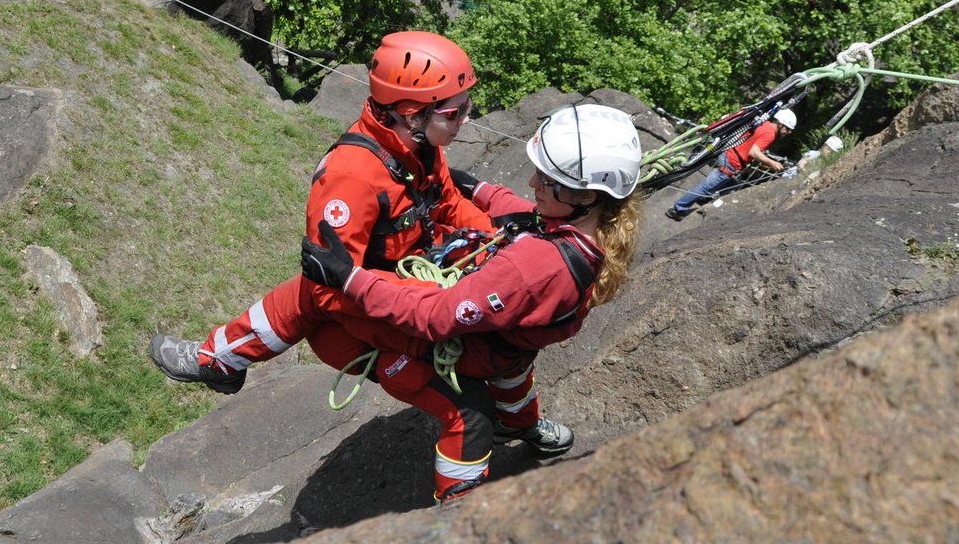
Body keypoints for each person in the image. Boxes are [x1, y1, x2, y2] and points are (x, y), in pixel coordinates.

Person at [298, 103, 644, 501]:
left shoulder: (532, 267)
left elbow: (437, 317)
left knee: (471, 414)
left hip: (481, 349)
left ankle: (458, 506)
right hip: (513, 348)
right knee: (513, 380)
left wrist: (352, 279)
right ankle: (519, 423)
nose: (533, 182)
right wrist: (475, 188)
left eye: (546, 180)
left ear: (584, 194)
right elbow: (525, 216)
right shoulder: (597, 230)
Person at [149, 30, 495, 394]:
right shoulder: (352, 179)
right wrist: (421, 294)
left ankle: (218, 360)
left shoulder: (420, 149)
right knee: (311, 293)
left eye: (466, 107)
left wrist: (502, 242)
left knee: (303, 298)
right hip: (385, 297)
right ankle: (218, 360)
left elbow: (450, 204)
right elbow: (329, 290)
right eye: (456, 113)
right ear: (411, 116)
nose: (465, 121)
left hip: (408, 286)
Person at [666, 107, 795, 220]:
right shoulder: (770, 134)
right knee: (706, 187)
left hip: (729, 153)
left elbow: (747, 143)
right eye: (788, 129)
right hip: (732, 161)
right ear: (781, 124)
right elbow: (754, 151)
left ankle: (703, 199)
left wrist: (745, 164)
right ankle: (677, 209)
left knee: (732, 185)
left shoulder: (763, 123)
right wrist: (772, 163)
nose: (788, 133)